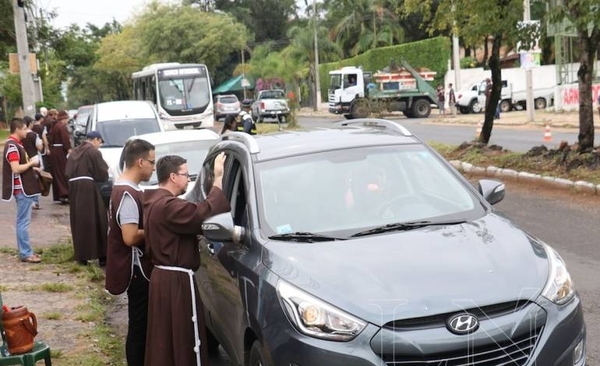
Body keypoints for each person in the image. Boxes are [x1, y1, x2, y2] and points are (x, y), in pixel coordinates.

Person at [143, 153, 230, 366]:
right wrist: (218, 179)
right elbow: (201, 213)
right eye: (185, 174)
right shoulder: (167, 206)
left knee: (167, 340)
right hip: (175, 282)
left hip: (164, 279)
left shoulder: (156, 201)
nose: (189, 179)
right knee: (183, 336)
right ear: (173, 177)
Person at [106, 139, 156, 366]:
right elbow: (129, 237)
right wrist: (157, 228)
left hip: (136, 269)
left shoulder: (124, 187)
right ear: (140, 161)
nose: (154, 167)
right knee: (139, 326)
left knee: (142, 325)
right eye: (152, 162)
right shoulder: (126, 193)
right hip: (136, 271)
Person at [65, 131, 108, 266]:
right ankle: (102, 255)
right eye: (100, 141)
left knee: (79, 221)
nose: (99, 145)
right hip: (88, 188)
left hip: (74, 188)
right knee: (97, 220)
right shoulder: (93, 152)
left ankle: (82, 256)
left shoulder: (73, 152)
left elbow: (67, 172)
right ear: (95, 139)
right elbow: (102, 172)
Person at [2, 118, 42, 263]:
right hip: (22, 190)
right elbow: (16, 168)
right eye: (25, 128)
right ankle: (26, 253)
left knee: (22, 221)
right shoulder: (13, 146)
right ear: (18, 129)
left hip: (23, 189)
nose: (27, 131)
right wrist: (31, 162)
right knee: (22, 222)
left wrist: (32, 167)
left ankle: (25, 251)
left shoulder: (16, 144)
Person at [48, 110, 71, 204]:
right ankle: (65, 193)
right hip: (60, 152)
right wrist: (69, 149)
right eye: (66, 119)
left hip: (55, 151)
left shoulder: (55, 126)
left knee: (57, 173)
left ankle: (60, 194)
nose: (67, 121)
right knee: (62, 172)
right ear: (63, 119)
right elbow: (65, 139)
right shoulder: (61, 127)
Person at [21, 116, 44, 210]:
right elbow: (40, 148)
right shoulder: (33, 135)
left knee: (25, 180)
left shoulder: (20, 136)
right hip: (34, 158)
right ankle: (35, 201)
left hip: (23, 159)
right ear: (30, 124)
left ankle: (27, 200)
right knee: (35, 180)